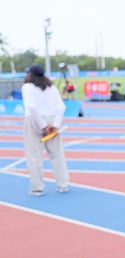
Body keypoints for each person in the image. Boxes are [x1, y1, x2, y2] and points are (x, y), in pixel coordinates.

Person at [22, 64, 69, 196]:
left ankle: (37, 188)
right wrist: (55, 124)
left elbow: (31, 107)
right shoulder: (52, 87)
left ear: (30, 74)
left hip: (34, 120)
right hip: (52, 119)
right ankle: (63, 185)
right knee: (57, 155)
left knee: (34, 155)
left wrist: (43, 126)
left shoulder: (27, 87)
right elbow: (61, 107)